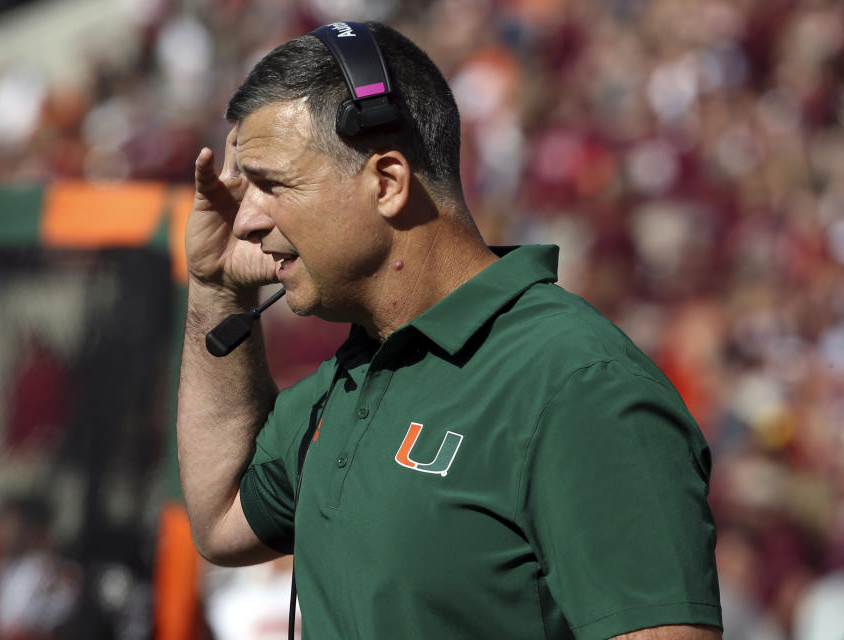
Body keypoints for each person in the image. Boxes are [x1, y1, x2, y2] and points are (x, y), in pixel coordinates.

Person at [177, 20, 723, 640]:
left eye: (273, 185)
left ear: (386, 182)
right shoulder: (358, 371)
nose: (245, 220)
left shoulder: (578, 383)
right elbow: (220, 518)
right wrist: (218, 287)